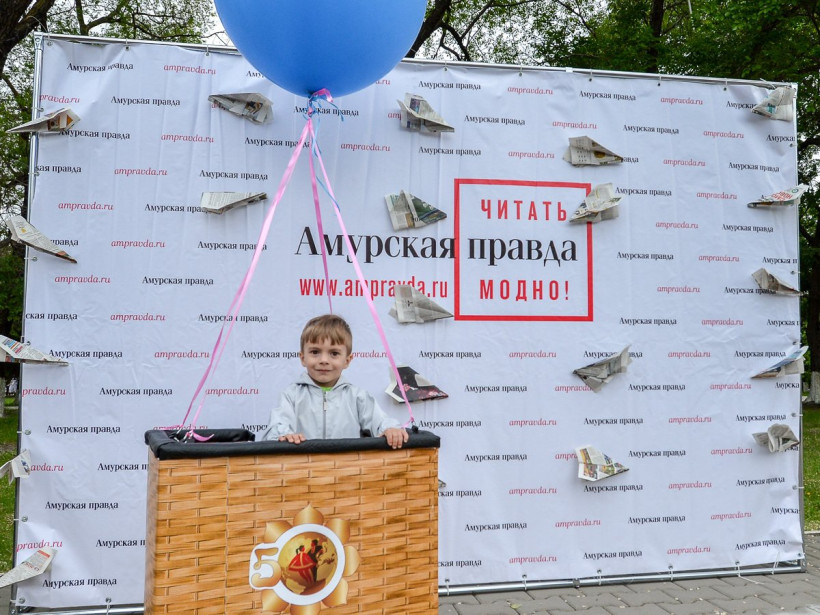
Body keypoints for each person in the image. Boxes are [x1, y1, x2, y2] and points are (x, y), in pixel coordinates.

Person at [259, 314, 409, 449]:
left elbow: (381, 421)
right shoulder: (291, 395)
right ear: (303, 358)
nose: (324, 360)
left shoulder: (358, 397)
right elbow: (277, 428)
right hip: (304, 468)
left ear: (347, 360)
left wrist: (390, 429)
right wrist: (284, 436)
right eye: (315, 352)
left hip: (346, 468)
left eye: (334, 353)